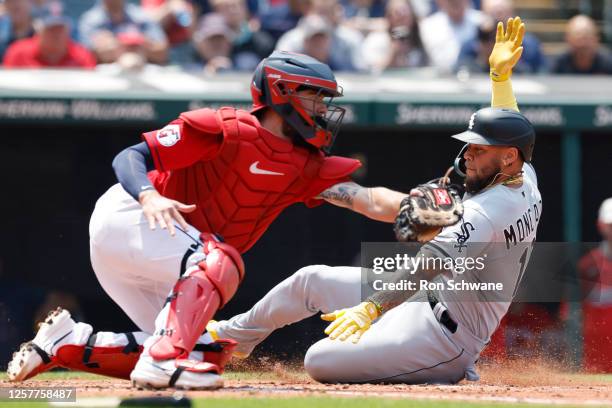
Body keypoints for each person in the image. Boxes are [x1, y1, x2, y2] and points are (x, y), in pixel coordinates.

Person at [6, 50, 410, 390]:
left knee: (209, 352)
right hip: (133, 217)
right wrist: (149, 195)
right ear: (282, 92)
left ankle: (69, 344)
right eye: (315, 97)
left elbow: (367, 200)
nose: (324, 109)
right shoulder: (226, 129)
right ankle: (162, 360)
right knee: (221, 260)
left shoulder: (305, 164)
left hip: (169, 254)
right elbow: (130, 157)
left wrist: (425, 206)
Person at [207, 17, 542, 384]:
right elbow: (511, 125)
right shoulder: (524, 174)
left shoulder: (486, 211)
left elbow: (426, 265)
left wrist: (370, 308)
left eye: (479, 149)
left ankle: (445, 368)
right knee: (310, 280)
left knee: (319, 360)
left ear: (508, 157)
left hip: (446, 337)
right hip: (427, 302)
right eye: (470, 145)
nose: (467, 155)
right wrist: (499, 80)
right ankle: (231, 336)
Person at [577, 198, 612, 372]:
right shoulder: (588, 263)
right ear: (601, 225)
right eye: (611, 225)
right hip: (596, 351)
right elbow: (571, 310)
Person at [79, 0, 169, 64]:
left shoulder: (142, 17)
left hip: (146, 77)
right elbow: (85, 57)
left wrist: (140, 45)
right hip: (103, 80)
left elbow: (162, 52)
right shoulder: (89, 21)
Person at [3, 14, 96, 68]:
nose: (56, 35)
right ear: (39, 31)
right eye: (51, 29)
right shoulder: (18, 52)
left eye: (60, 29)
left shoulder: (82, 56)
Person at [419, 0, 484, 73]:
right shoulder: (428, 25)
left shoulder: (482, 22)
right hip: (441, 80)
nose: (455, 2)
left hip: (477, 78)